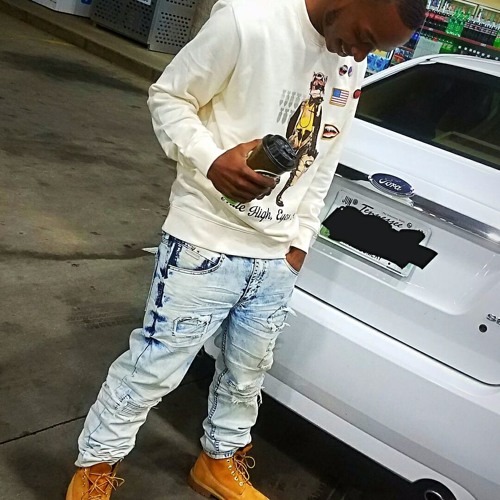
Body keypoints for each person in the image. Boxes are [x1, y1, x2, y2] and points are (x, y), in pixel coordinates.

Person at [66, 0, 424, 498]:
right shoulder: (248, 20)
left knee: (248, 375)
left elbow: (325, 157)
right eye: (364, 36)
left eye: (374, 49)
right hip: (206, 238)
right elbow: (169, 97)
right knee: (153, 367)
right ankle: (95, 467)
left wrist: (300, 241)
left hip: (276, 256)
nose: (360, 54)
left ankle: (219, 461)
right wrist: (212, 160)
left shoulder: (349, 60)